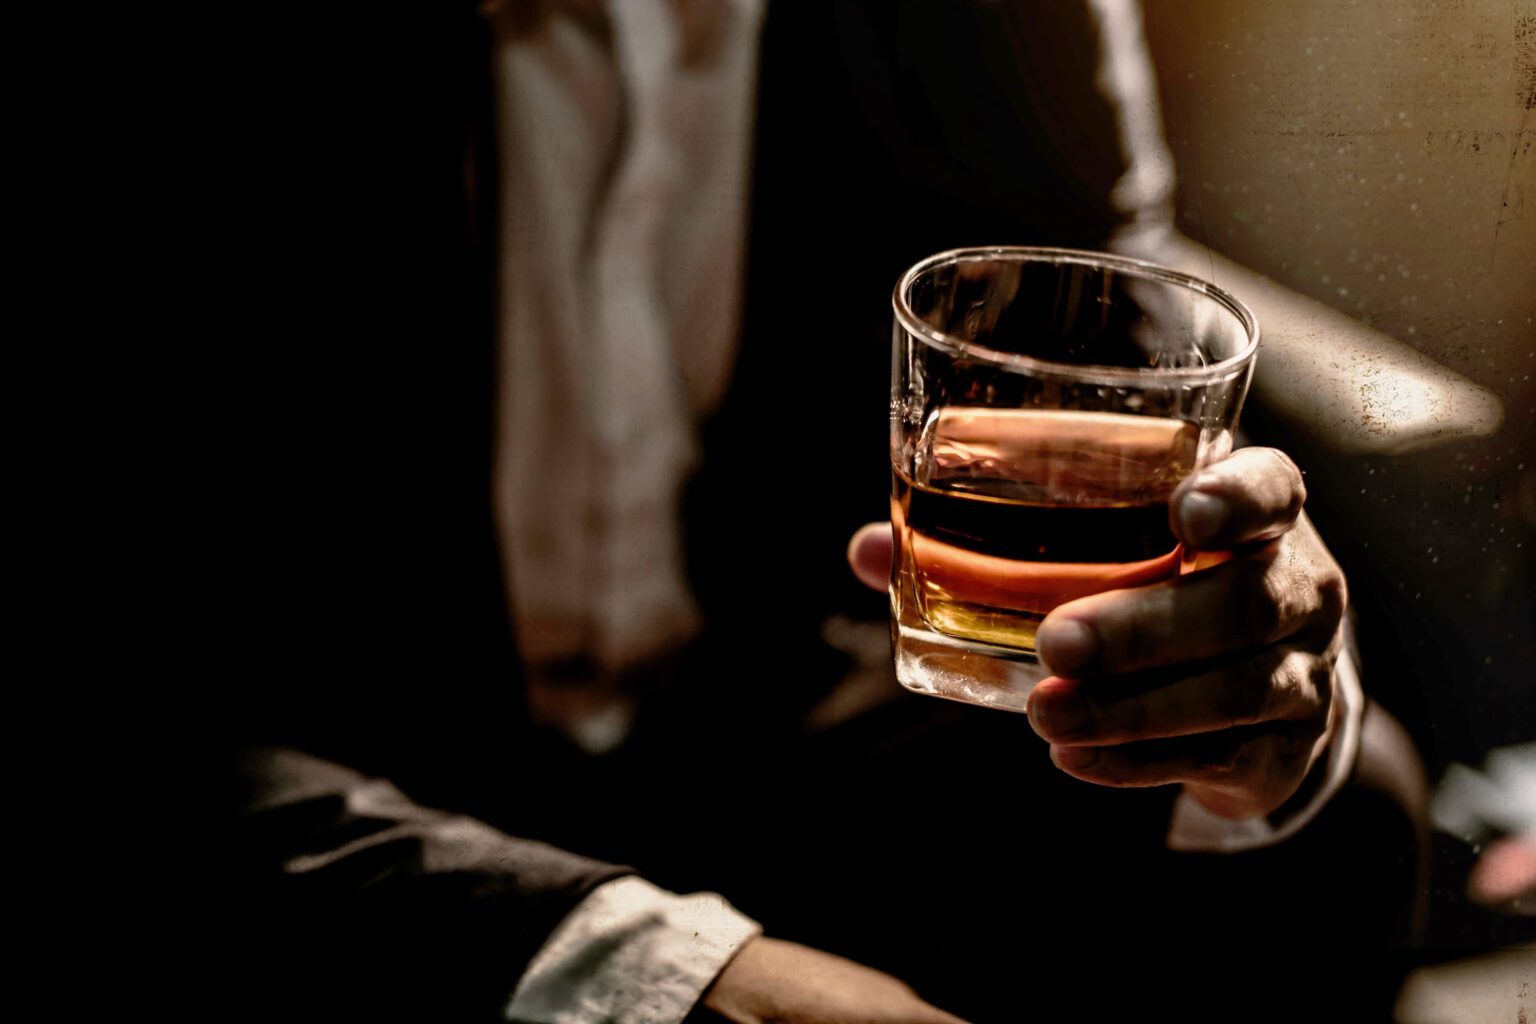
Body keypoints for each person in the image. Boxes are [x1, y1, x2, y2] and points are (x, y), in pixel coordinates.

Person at [212, 0, 1494, 1018]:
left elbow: (1119, 342)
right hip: (343, 768)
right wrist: (644, 970)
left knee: (1337, 812)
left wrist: (1239, 658)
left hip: (780, 708)